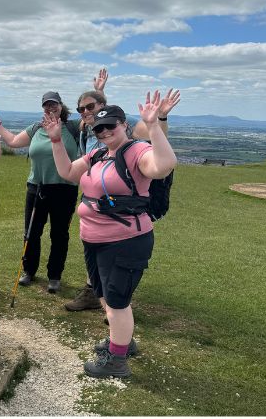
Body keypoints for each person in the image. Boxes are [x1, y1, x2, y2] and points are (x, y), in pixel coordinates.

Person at [42, 90, 181, 379]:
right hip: (95, 240)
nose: (104, 131)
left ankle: (116, 361)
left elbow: (163, 165)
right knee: (105, 295)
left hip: (126, 240)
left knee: (117, 301)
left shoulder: (136, 151)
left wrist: (154, 125)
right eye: (99, 128)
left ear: (124, 126)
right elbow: (68, 172)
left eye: (110, 126)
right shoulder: (98, 154)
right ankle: (122, 341)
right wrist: (56, 140)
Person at [0, 92, 83, 294]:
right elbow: (13, 141)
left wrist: (99, 90)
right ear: (42, 108)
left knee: (59, 233)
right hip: (36, 187)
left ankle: (54, 276)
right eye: (46, 106)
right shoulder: (36, 128)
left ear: (60, 106)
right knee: (31, 232)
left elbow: (93, 117)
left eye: (53, 105)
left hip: (65, 188)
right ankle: (29, 271)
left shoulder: (72, 128)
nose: (50, 108)